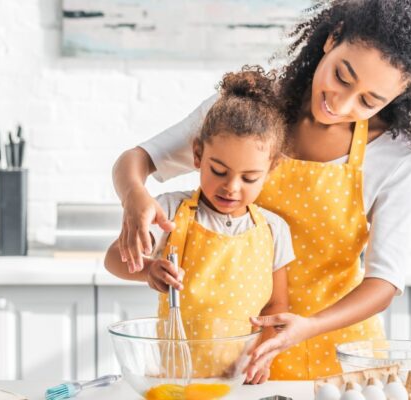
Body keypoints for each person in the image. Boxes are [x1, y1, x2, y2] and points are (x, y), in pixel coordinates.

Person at [111, 0, 411, 381]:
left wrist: (307, 326)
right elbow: (138, 159)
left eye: (368, 100)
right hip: (236, 358)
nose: (341, 103)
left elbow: (384, 282)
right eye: (342, 76)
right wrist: (134, 196)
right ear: (332, 38)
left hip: (340, 358)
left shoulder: (392, 156)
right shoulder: (244, 114)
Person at [104, 67, 295, 383]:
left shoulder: (274, 230)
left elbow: (277, 305)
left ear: (271, 169)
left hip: (239, 383)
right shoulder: (171, 212)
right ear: (197, 155)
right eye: (218, 170)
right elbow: (114, 259)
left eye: (249, 178)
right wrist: (148, 269)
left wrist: (262, 356)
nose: (231, 187)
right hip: (176, 379)